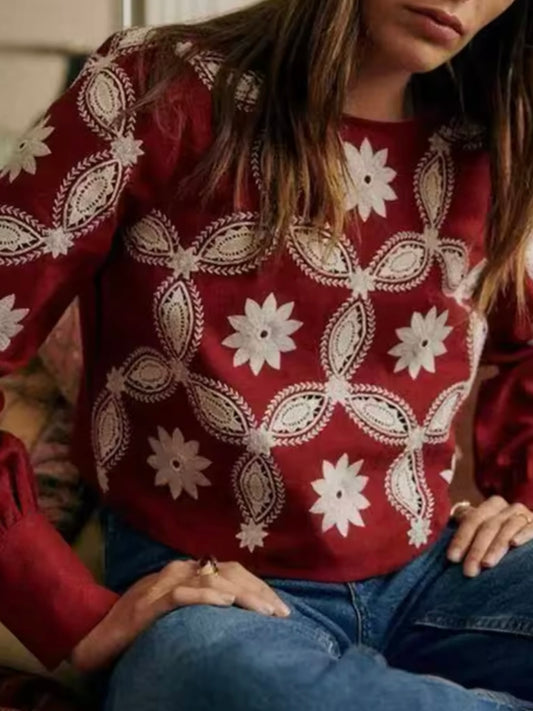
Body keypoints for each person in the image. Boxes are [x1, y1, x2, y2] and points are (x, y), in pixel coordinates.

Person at [1, 0, 533, 708]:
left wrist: (521, 496)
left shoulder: (478, 137)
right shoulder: (150, 89)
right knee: (203, 678)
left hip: (443, 572)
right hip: (214, 598)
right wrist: (67, 610)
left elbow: (521, 346)